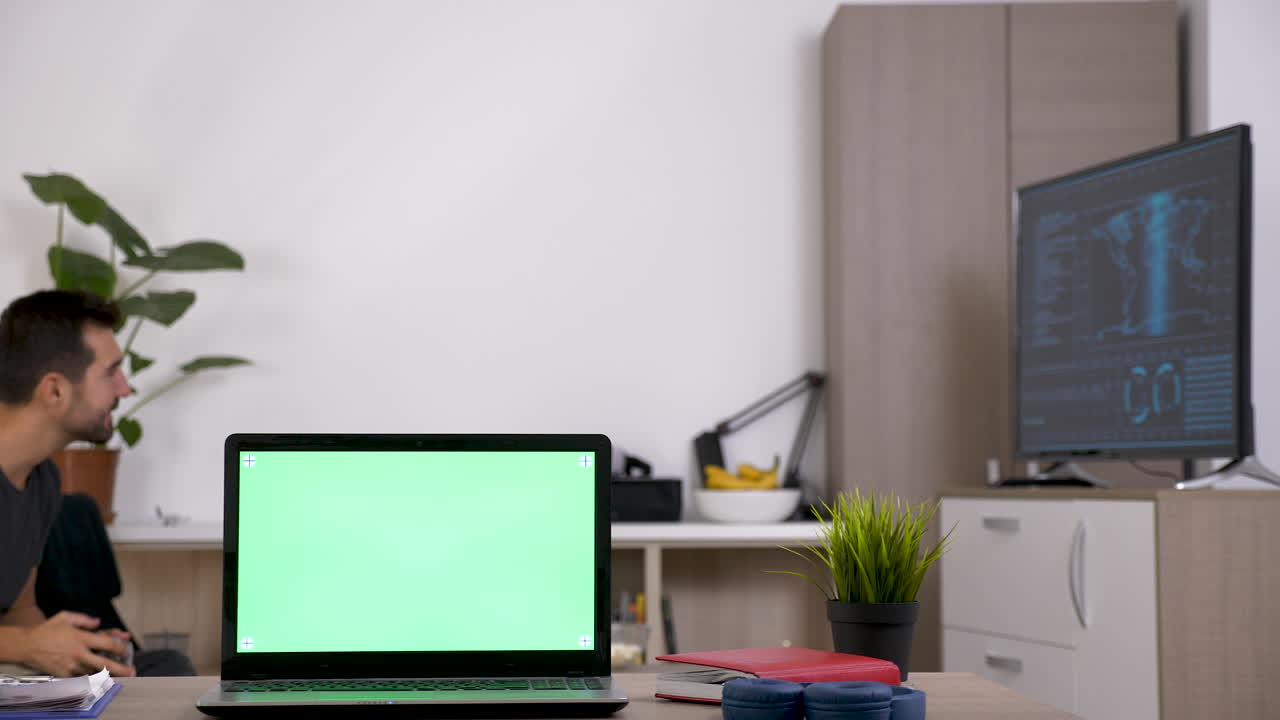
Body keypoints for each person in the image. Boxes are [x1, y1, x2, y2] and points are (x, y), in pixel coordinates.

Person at [0, 289, 135, 677]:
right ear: (55, 390)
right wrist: (27, 646)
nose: (124, 389)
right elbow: (20, 639)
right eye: (111, 372)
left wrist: (78, 651)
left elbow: (19, 612)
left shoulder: (41, 479)